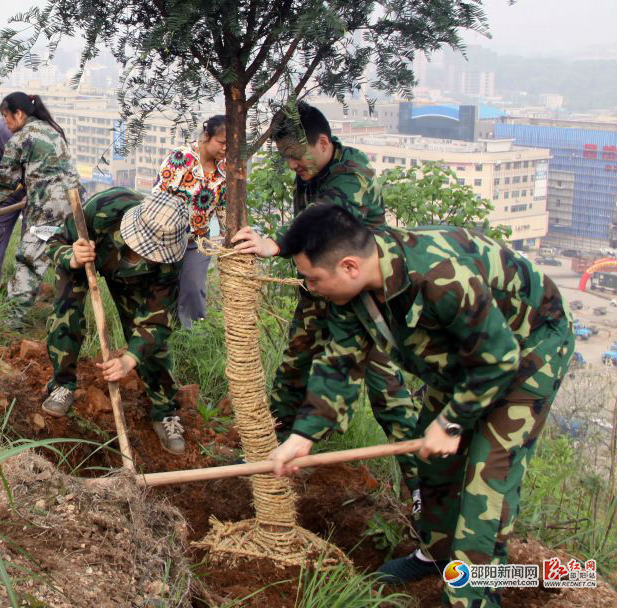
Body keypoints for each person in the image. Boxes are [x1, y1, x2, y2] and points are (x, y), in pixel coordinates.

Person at [269, 204, 574, 608]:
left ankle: (473, 596)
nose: (309, 287)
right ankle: (438, 555)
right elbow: (340, 362)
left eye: (312, 279)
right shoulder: (351, 293)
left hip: (528, 348)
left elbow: (499, 358)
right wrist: (302, 436)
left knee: (487, 480)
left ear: (348, 266)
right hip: (464, 359)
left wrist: (452, 422)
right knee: (430, 459)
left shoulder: (439, 274)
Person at [232, 102, 421, 500]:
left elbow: (327, 214)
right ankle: (277, 444)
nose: (292, 167)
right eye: (284, 158)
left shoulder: (355, 173)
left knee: (387, 391)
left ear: (322, 142)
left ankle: (420, 486)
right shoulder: (310, 169)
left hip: (365, 295)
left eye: (294, 157)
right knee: (296, 361)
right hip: (321, 287)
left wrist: (277, 243)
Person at [43, 188, 190, 455]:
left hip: (136, 281)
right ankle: (62, 384)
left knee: (149, 344)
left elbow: (157, 321)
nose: (149, 254)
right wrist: (72, 256)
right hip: (86, 258)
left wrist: (128, 360)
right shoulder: (105, 208)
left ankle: (164, 412)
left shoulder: (168, 263)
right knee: (66, 314)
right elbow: (54, 243)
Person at [0, 92, 81, 330]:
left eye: (6, 116)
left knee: (29, 260)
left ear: (19, 113)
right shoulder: (51, 130)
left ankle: (11, 323)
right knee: (64, 258)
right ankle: (68, 319)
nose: (5, 122)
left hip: (48, 211)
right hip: (74, 209)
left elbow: (4, 185)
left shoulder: (20, 139)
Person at [154, 115, 226, 328]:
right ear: (206, 136)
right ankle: (159, 333)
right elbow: (159, 196)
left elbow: (224, 209)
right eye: (221, 143)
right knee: (164, 288)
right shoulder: (181, 159)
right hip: (167, 238)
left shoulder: (224, 170)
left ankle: (191, 338)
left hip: (199, 241)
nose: (225, 149)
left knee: (194, 288)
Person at [0, 115, 25, 287]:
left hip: (33, 186)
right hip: (7, 189)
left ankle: (24, 294)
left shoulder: (5, 130)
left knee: (32, 238)